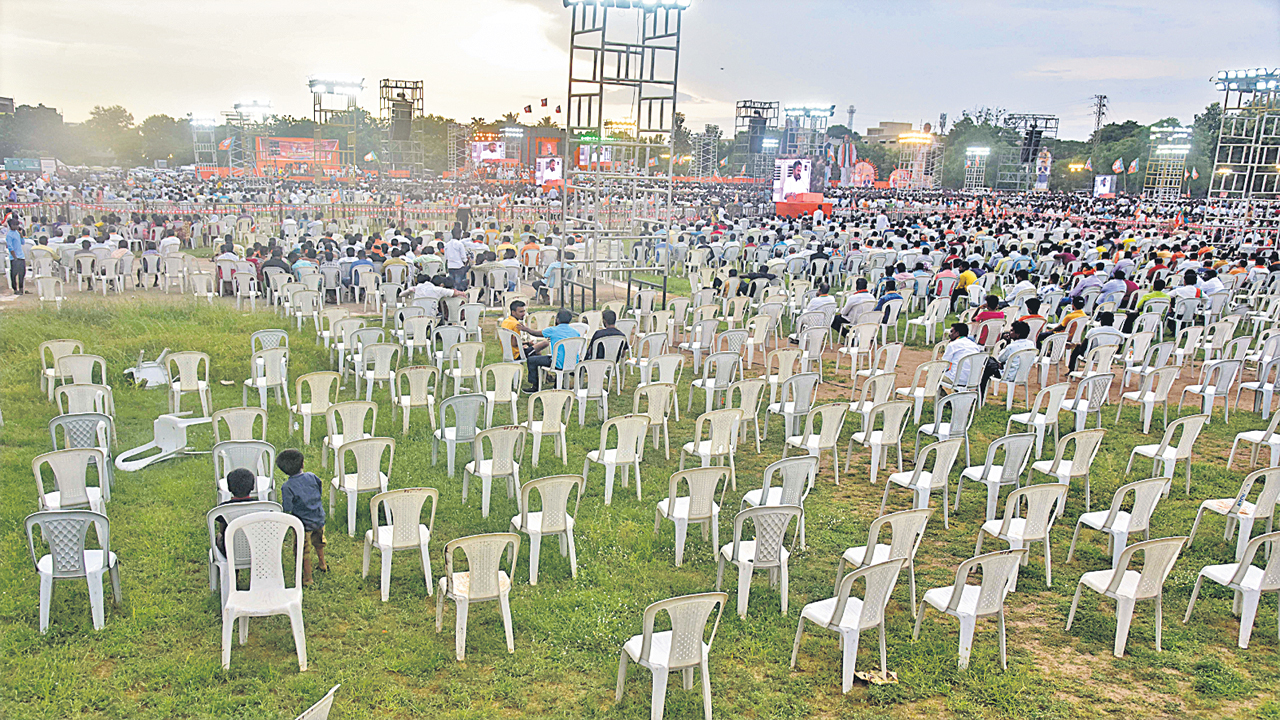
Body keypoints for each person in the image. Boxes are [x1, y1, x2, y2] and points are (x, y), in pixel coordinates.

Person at [277, 449, 327, 586]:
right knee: (319, 541)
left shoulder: (287, 487)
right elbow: (319, 488)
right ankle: (323, 564)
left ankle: (308, 578)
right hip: (318, 517)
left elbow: (287, 507)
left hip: (302, 524)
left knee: (303, 550)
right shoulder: (312, 476)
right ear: (302, 464)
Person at [524, 309, 580, 392]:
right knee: (559, 357)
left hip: (557, 363)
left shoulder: (552, 330)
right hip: (572, 362)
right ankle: (557, 384)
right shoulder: (576, 332)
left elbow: (535, 333)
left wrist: (526, 329)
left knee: (531, 360)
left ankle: (534, 386)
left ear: (557, 319)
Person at [979, 320, 1035, 397]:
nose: (1009, 332)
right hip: (1021, 374)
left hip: (1007, 375)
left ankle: (981, 391)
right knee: (993, 362)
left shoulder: (1011, 347)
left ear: (1017, 334)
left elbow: (1000, 358)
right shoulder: (1031, 344)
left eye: (1012, 331)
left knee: (988, 361)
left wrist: (1007, 342)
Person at [213, 468, 258, 556]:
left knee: (219, 537)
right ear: (253, 486)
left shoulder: (223, 509)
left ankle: (232, 568)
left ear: (229, 488)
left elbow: (223, 531)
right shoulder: (262, 506)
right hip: (258, 549)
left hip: (231, 552)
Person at [6, 217, 26, 295]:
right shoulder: (9, 235)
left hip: (21, 256)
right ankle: (15, 288)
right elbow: (10, 247)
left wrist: (21, 233)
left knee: (22, 273)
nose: (16, 227)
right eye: (15, 225)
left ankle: (21, 288)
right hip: (14, 257)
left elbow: (22, 242)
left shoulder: (17, 233)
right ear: (11, 225)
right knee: (14, 273)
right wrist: (14, 257)